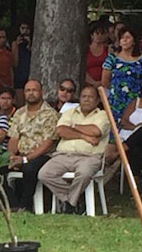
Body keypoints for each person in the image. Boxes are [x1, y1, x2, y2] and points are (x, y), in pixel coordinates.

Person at [37, 86, 110, 214]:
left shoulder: (103, 115)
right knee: (44, 174)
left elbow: (96, 131)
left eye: (90, 97)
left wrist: (73, 126)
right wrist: (84, 136)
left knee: (84, 173)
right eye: (84, 96)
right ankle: (74, 201)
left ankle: (69, 203)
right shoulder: (69, 112)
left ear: (98, 100)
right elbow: (60, 131)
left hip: (89, 157)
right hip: (63, 155)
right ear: (79, 99)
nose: (87, 100)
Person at [5, 79, 59, 212]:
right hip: (20, 154)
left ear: (41, 92)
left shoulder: (50, 114)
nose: (31, 93)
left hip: (43, 155)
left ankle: (26, 206)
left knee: (29, 169)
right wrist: (12, 156)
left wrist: (25, 159)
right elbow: (14, 138)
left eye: (34, 90)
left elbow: (48, 143)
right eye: (28, 90)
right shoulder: (19, 113)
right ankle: (13, 204)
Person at [102, 26, 142, 122]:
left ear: (134, 41)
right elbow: (105, 80)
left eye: (127, 37)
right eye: (122, 38)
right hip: (117, 102)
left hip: (139, 101)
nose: (124, 40)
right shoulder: (112, 58)